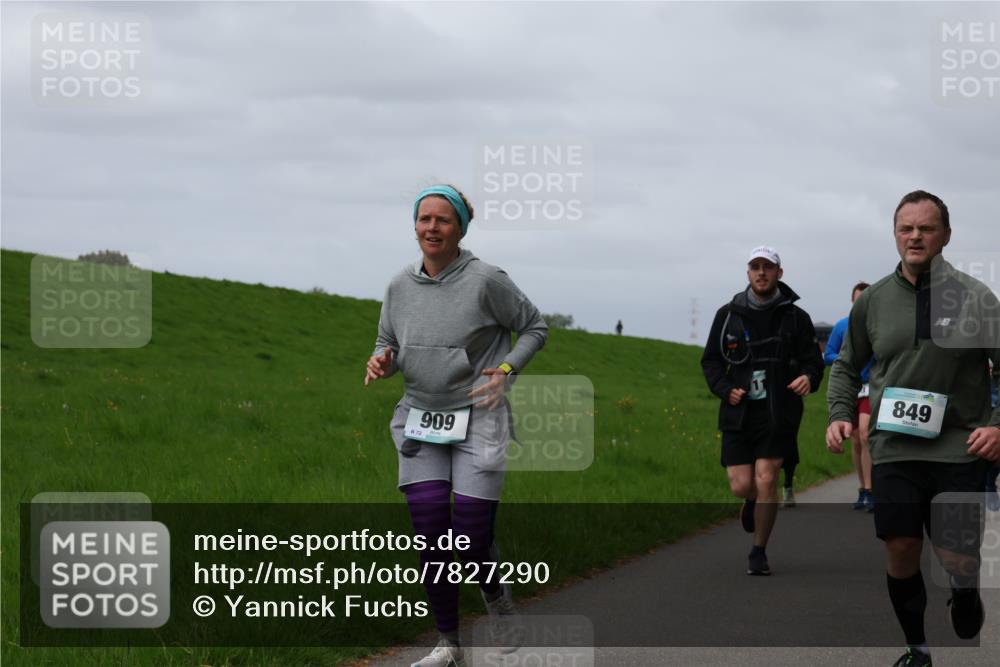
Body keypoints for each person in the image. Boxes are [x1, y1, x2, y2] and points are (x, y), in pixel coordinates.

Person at [365, 184, 548, 667]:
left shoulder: (487, 280)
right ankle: (449, 644)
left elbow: (535, 327)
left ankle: (497, 600)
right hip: (420, 418)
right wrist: (382, 361)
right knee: (430, 534)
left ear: (460, 227)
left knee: (467, 535)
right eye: (424, 219)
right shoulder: (398, 286)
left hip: (479, 417)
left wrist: (505, 372)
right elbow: (387, 340)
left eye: (443, 220)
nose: (432, 228)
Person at [826, 190, 1000, 667]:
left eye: (926, 228)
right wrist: (840, 414)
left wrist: (997, 426)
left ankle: (965, 591)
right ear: (895, 234)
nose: (916, 236)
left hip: (959, 448)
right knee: (900, 547)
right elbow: (846, 365)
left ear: (946, 235)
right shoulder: (874, 301)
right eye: (907, 228)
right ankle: (917, 649)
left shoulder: (977, 298)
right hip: (895, 447)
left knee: (955, 557)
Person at [701, 245, 824, 575]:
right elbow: (711, 361)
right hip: (738, 412)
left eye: (767, 267)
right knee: (742, 485)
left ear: (779, 273)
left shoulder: (797, 318)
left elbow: (814, 361)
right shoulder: (727, 314)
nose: (761, 272)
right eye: (755, 267)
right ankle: (751, 501)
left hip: (778, 412)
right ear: (748, 273)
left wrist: (808, 378)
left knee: (767, 477)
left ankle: (759, 551)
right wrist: (726, 390)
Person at [824, 281, 876, 511]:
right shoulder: (842, 326)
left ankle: (872, 490)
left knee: (865, 434)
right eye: (857, 301)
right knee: (855, 439)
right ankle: (863, 488)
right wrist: (844, 362)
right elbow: (828, 354)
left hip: (870, 386)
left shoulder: (879, 326)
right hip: (850, 387)